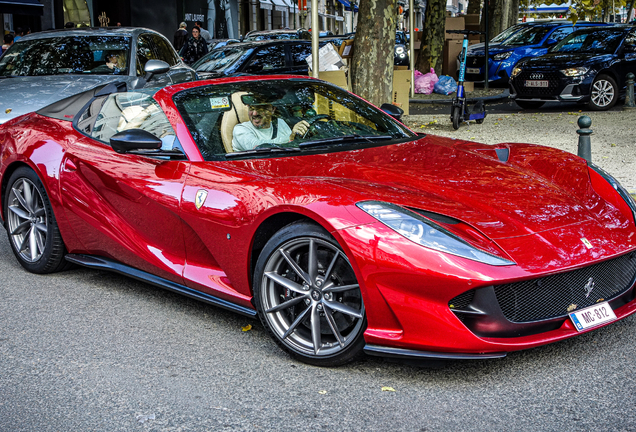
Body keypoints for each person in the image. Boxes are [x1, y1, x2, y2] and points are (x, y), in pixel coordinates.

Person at [232, 102, 309, 152]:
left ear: (272, 110)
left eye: (260, 108)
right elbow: (257, 147)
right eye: (251, 109)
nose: (255, 113)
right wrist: (289, 138)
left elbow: (292, 148)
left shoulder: (280, 123)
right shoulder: (240, 129)